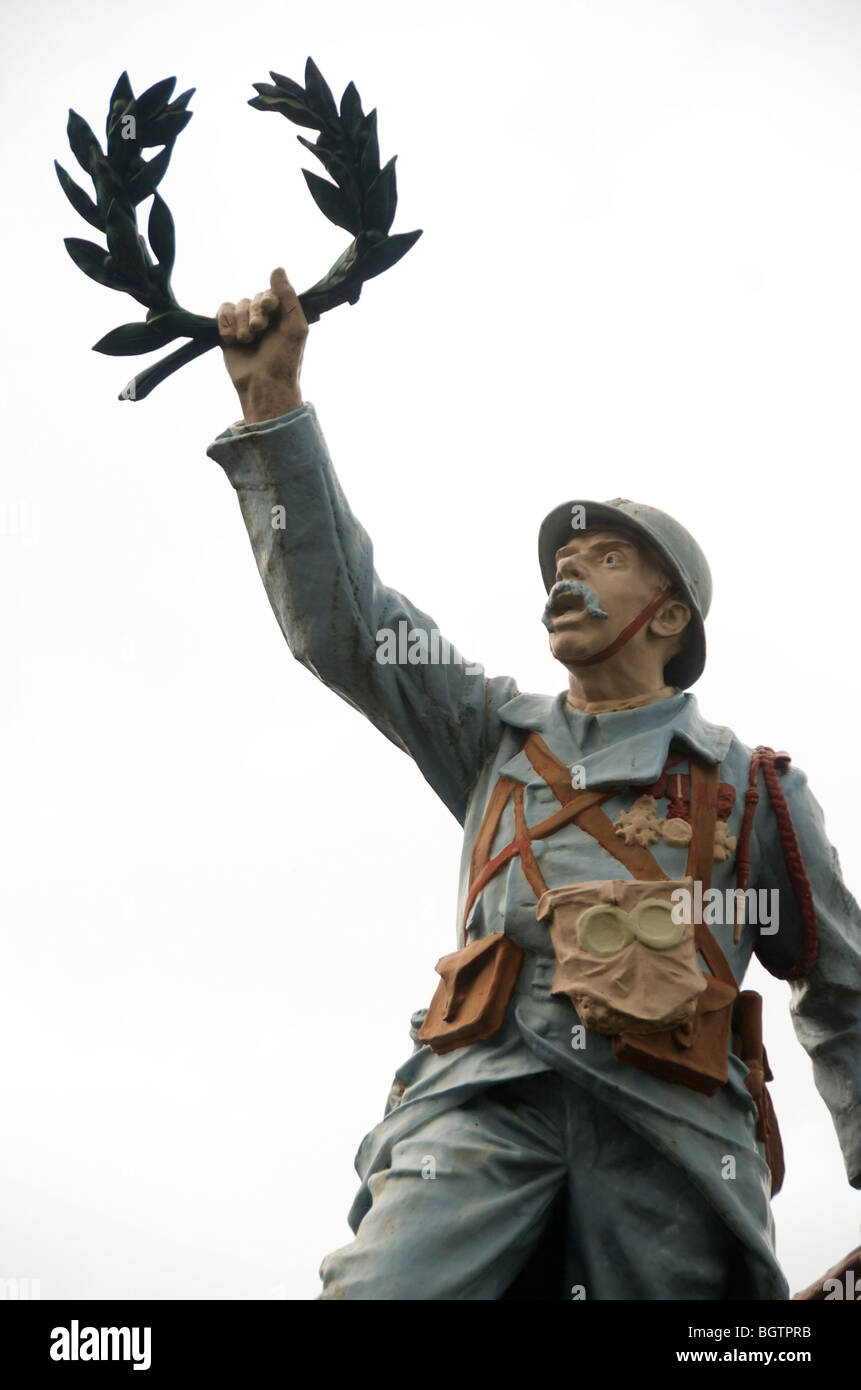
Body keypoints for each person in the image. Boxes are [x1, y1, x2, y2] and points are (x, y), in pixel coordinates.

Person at [206, 268, 861, 1300]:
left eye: (604, 558)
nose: (567, 574)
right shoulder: (486, 733)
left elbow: (845, 990)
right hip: (479, 1111)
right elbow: (345, 623)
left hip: (672, 1138)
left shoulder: (749, 789)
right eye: (562, 558)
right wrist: (271, 404)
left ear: (672, 615)